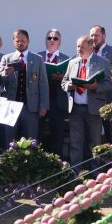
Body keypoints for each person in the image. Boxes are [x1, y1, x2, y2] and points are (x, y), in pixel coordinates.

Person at [61, 36, 112, 171]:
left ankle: (96, 171)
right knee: (75, 143)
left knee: (95, 143)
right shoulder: (73, 62)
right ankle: (75, 172)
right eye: (77, 46)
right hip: (75, 109)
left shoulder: (103, 62)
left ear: (91, 46)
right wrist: (68, 86)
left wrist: (95, 87)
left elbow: (109, 84)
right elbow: (64, 82)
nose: (79, 49)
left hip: (94, 109)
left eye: (82, 47)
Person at [0, 29, 49, 142]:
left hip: (30, 108)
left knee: (31, 141)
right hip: (11, 106)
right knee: (10, 141)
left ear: (28, 41)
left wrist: (43, 105)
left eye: (23, 41)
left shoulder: (37, 59)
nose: (20, 43)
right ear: (13, 41)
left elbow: (43, 84)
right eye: (17, 41)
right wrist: (5, 73)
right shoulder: (7, 58)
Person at [89, 25, 112, 144]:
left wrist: (101, 84)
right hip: (92, 99)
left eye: (96, 35)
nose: (93, 38)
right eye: (91, 35)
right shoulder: (86, 52)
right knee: (93, 134)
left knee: (111, 133)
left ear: (104, 36)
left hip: (109, 98)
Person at [38, 29, 70, 159]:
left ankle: (57, 163)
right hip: (40, 101)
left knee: (57, 134)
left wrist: (62, 78)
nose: (52, 40)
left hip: (58, 101)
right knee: (37, 133)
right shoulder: (37, 57)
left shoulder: (66, 59)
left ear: (60, 42)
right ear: (45, 41)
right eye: (49, 38)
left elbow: (71, 81)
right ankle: (39, 161)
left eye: (55, 38)